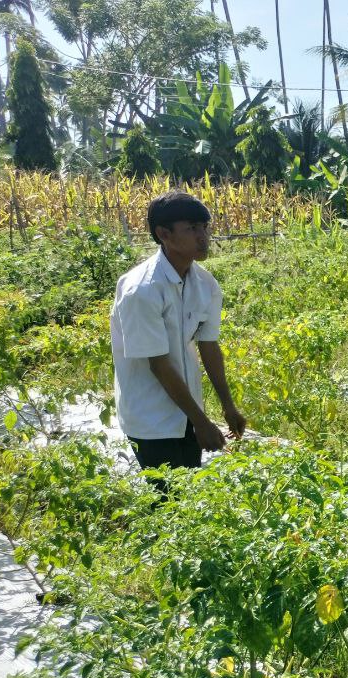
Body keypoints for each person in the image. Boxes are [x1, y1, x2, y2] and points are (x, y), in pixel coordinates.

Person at [111, 191, 246, 477]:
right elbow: (158, 364)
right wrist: (201, 422)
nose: (203, 236)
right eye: (191, 228)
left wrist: (227, 406)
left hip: (189, 411)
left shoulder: (205, 284)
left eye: (204, 227)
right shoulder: (142, 290)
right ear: (164, 234)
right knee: (166, 504)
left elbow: (209, 345)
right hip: (151, 418)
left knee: (189, 502)